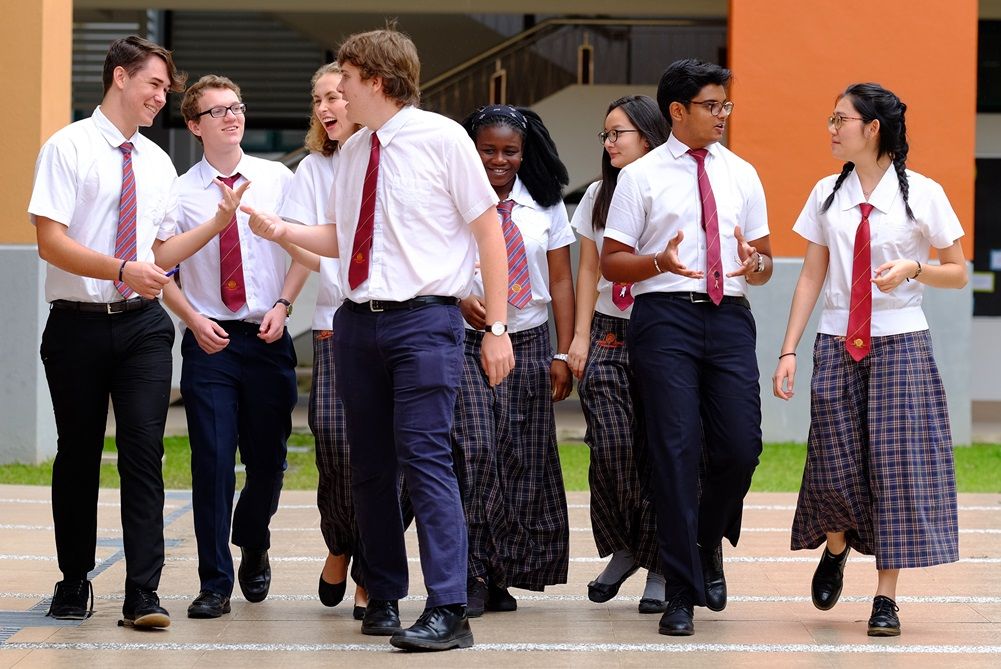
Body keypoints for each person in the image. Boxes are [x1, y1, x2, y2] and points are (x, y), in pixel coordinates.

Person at [244, 27, 514, 652]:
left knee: (424, 460)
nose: (336, 89)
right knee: (368, 468)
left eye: (347, 77)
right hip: (357, 324)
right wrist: (280, 228)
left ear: (379, 82)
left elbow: (488, 233)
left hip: (425, 321)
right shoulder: (357, 149)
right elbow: (345, 237)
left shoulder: (443, 138)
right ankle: (384, 595)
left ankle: (449, 608)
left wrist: (497, 327)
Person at [29, 36, 236, 629]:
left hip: (143, 326)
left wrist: (216, 225)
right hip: (76, 325)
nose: (161, 98)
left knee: (144, 455)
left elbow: (159, 252)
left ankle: (143, 593)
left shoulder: (156, 161)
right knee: (78, 455)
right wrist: (122, 269)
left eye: (166, 90)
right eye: (154, 85)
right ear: (120, 77)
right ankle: (73, 582)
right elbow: (52, 241)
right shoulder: (66, 147)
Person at [773, 83, 967, 638]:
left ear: (872, 127)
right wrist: (788, 348)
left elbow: (956, 271)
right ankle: (835, 549)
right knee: (834, 460)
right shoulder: (825, 194)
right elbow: (811, 273)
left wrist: (914, 268)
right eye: (830, 118)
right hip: (837, 341)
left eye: (841, 119)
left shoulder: (924, 193)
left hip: (900, 342)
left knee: (895, 467)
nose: (832, 128)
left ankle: (886, 597)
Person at [600, 58, 773, 636]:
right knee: (673, 452)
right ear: (678, 111)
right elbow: (612, 259)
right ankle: (680, 589)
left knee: (740, 447)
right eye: (712, 105)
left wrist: (757, 262)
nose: (723, 114)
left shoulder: (743, 172)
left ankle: (706, 544)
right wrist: (658, 262)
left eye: (727, 105)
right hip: (665, 316)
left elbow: (766, 260)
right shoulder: (640, 176)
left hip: (729, 317)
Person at [161, 75, 304, 619]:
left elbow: (302, 248)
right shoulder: (179, 191)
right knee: (214, 461)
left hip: (267, 335)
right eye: (217, 111)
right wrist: (193, 319)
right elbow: (161, 263)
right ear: (195, 125)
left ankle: (254, 538)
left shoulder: (276, 178)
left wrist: (285, 304)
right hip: (210, 341)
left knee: (268, 461)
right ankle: (214, 581)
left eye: (237, 107)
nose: (231, 117)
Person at [454, 105, 573, 617]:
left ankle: (502, 574)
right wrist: (461, 297)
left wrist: (564, 353)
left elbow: (562, 281)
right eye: (487, 150)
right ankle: (473, 573)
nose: (498, 160)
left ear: (525, 154)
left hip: (529, 340)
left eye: (510, 151)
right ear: (470, 149)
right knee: (475, 450)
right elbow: (436, 260)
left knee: (520, 459)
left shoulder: (545, 205)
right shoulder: (454, 199)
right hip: (465, 341)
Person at [567, 95, 670, 614]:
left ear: (648, 136)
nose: (608, 144)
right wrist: (578, 338)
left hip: (660, 326)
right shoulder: (596, 197)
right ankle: (626, 546)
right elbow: (588, 270)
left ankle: (657, 564)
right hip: (608, 330)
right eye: (604, 135)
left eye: (617, 134)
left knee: (659, 450)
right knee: (610, 444)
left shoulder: (671, 188)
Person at [277, 62, 371, 619]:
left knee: (394, 455)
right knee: (337, 447)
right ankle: (340, 541)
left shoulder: (396, 156)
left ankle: (368, 569)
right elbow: (305, 250)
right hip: (337, 324)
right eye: (317, 99)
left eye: (336, 96)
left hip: (398, 322)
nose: (325, 108)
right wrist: (310, 247)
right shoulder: (314, 169)